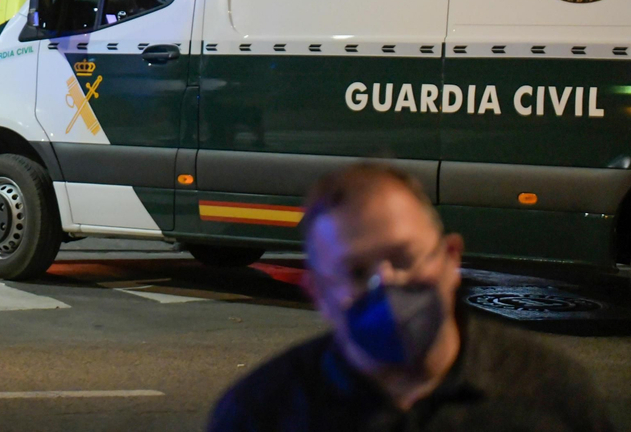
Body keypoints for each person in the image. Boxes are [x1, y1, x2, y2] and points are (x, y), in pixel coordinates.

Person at [207, 163, 615, 431]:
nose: (386, 283)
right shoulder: (261, 413)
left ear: (450, 259)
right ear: (318, 292)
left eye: (402, 258)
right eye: (356, 271)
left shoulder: (552, 397)